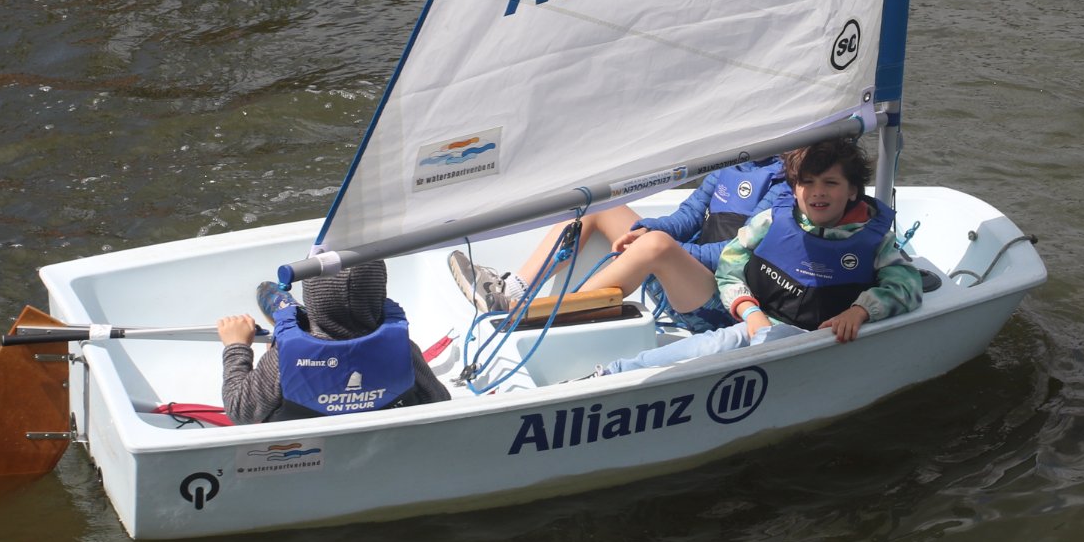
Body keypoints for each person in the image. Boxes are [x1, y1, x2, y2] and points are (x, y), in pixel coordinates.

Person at [591, 136, 924, 376]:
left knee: (722, 345)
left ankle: (612, 370)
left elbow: (906, 284)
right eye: (807, 182)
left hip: (810, 338)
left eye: (831, 183)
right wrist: (749, 311)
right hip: (757, 321)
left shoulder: (873, 239)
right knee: (710, 346)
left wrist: (860, 311)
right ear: (795, 188)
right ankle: (612, 373)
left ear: (852, 190)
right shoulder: (772, 221)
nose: (818, 192)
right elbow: (730, 265)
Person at [448, 154, 793, 333]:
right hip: (681, 280)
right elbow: (686, 217)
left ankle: (529, 318)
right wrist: (644, 229)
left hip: (726, 304)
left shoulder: (787, 184)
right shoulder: (735, 163)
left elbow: (734, 253)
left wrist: (657, 245)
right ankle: (513, 292)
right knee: (600, 205)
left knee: (657, 246)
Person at [216, 260, 448, 423]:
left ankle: (291, 314)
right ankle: (294, 315)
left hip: (306, 446)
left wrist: (237, 347)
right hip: (377, 440)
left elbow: (239, 412)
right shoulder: (403, 349)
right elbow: (439, 400)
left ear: (311, 296)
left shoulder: (282, 359)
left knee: (281, 330)